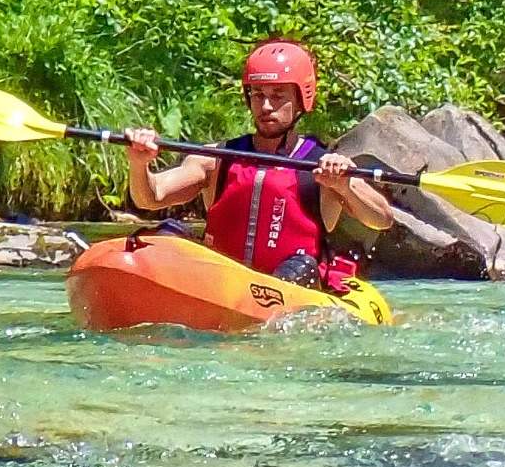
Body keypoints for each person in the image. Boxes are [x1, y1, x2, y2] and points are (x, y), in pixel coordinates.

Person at [124, 38, 397, 288]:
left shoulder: (324, 167)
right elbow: (151, 197)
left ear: (301, 100)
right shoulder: (216, 159)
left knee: (300, 269)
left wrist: (345, 186)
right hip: (218, 283)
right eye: (258, 95)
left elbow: (382, 219)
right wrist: (139, 164)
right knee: (167, 234)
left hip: (289, 287)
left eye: (277, 96)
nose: (266, 106)